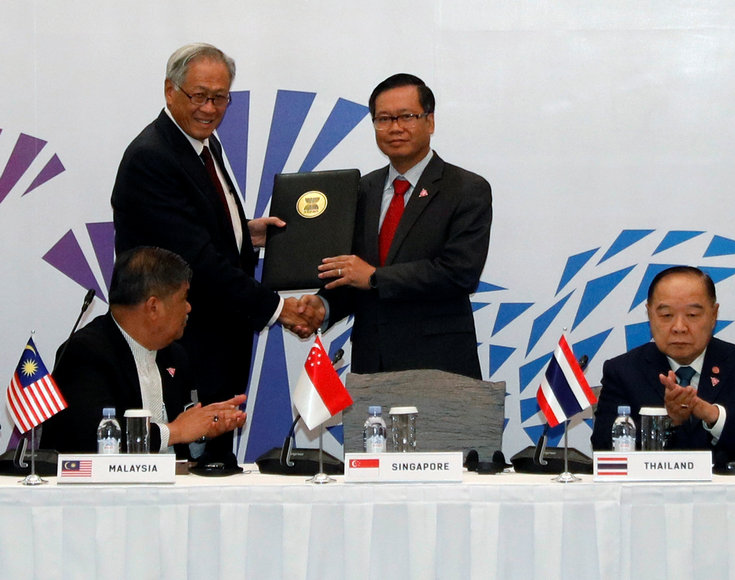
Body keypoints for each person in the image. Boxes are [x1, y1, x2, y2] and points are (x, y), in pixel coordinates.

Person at [111, 43, 319, 455]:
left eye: (220, 97)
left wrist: (245, 233)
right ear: (170, 91)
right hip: (183, 345)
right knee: (192, 467)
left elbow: (199, 228)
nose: (210, 108)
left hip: (217, 340)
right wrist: (278, 309)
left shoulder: (201, 142)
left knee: (217, 467)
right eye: (199, 96)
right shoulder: (152, 157)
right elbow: (196, 261)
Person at [295, 73, 492, 379]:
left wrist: (375, 277)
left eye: (408, 116)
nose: (395, 127)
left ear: (430, 122)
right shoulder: (360, 189)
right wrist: (323, 306)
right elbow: (352, 273)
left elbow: (459, 273)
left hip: (440, 365)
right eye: (384, 118)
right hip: (372, 362)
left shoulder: (466, 189)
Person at [40, 247, 246, 456]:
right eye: (183, 298)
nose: (188, 308)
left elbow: (184, 449)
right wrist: (174, 431)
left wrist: (205, 430)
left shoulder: (175, 356)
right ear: (153, 307)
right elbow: (94, 438)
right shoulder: (85, 353)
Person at [591, 266, 735, 463]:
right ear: (649, 314)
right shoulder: (623, 372)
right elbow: (604, 447)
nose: (679, 328)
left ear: (713, 315)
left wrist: (713, 415)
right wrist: (668, 422)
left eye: (692, 315)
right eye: (666, 315)